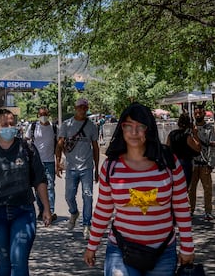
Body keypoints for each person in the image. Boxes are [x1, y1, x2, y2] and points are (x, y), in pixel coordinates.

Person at [83, 102, 195, 275]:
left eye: (140, 126)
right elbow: (103, 210)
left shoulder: (169, 162)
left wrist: (187, 246)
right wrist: (92, 245)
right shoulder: (111, 166)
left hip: (163, 252)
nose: (134, 133)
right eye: (128, 126)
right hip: (121, 252)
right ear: (122, 128)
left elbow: (181, 206)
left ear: (148, 129)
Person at [0, 108, 51, 276]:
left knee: (19, 260)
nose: (9, 126)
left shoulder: (27, 148)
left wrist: (47, 209)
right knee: (4, 261)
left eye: (12, 123)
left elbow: (40, 180)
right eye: (4, 124)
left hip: (23, 212)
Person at [55, 98, 99, 239]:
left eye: (84, 107)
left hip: (87, 167)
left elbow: (96, 148)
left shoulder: (92, 126)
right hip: (71, 167)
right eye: (80, 107)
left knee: (88, 196)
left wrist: (97, 168)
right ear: (75, 107)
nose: (82, 110)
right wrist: (58, 162)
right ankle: (74, 212)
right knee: (69, 196)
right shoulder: (67, 125)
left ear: (87, 108)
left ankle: (87, 224)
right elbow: (59, 144)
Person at [25, 107, 58, 222]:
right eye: (41, 114)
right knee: (38, 187)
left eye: (45, 114)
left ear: (48, 114)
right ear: (38, 115)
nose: (43, 116)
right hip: (36, 162)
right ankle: (42, 210)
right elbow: (26, 140)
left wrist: (59, 161)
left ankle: (51, 211)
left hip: (50, 161)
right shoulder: (33, 127)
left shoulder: (54, 128)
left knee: (50, 186)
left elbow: (59, 145)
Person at [189, 104, 215, 220]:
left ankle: (208, 211)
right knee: (191, 189)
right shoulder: (190, 129)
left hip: (205, 163)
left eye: (200, 113)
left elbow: (213, 147)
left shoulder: (209, 128)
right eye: (196, 113)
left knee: (207, 188)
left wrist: (211, 163)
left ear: (204, 114)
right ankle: (190, 210)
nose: (197, 115)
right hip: (193, 163)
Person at [166, 113, 201, 188]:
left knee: (173, 187)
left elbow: (167, 148)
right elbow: (198, 148)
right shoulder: (187, 137)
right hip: (185, 164)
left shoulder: (171, 134)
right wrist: (195, 134)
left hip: (173, 163)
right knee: (183, 188)